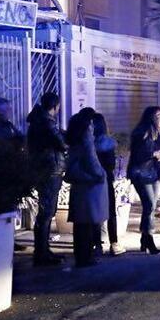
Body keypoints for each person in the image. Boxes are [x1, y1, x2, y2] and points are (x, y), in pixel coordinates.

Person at [27, 92, 67, 266]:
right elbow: (61, 144)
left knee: (47, 212)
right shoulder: (47, 122)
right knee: (47, 212)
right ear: (56, 106)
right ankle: (41, 254)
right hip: (50, 169)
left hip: (44, 168)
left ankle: (43, 250)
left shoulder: (38, 121)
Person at [64, 108, 107, 268]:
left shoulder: (73, 132)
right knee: (88, 221)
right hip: (88, 180)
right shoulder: (86, 132)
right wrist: (99, 174)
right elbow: (91, 156)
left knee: (80, 222)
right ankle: (86, 256)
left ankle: (81, 255)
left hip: (78, 179)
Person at [128, 106, 160, 255]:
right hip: (142, 173)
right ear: (151, 117)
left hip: (156, 173)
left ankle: (145, 239)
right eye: (159, 116)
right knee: (149, 204)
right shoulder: (142, 132)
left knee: (150, 207)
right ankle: (149, 238)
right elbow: (137, 153)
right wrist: (153, 153)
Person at [0, 97, 28, 252]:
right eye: (8, 109)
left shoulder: (8, 125)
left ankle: (9, 239)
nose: (10, 112)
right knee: (1, 209)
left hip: (9, 172)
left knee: (9, 208)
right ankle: (1, 240)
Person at [92, 113, 126, 256]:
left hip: (93, 181)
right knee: (110, 211)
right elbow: (111, 164)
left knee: (95, 212)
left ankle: (97, 244)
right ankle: (114, 243)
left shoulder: (89, 142)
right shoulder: (108, 143)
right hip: (106, 179)